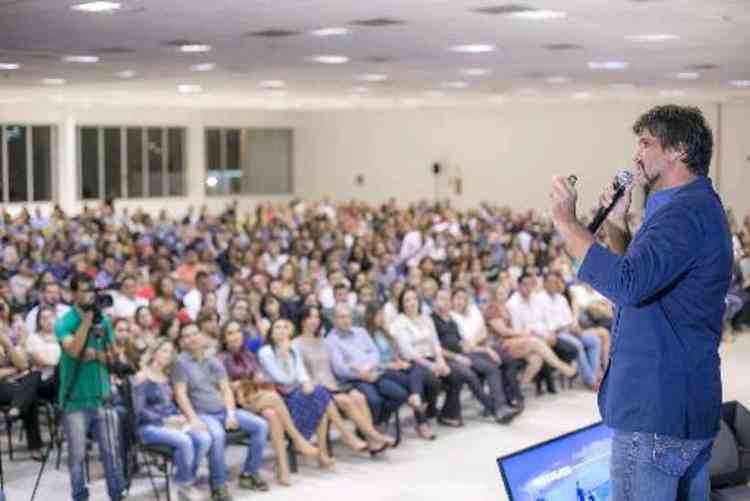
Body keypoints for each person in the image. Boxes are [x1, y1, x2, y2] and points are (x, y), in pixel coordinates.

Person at [549, 104, 733, 500]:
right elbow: (643, 278)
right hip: (682, 409)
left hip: (656, 412)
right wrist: (616, 223)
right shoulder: (696, 207)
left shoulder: (682, 214)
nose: (637, 154)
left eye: (646, 143)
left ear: (678, 150)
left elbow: (627, 284)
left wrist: (568, 223)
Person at [172, 322, 269, 501]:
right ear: (182, 342)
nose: (192, 338)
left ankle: (249, 474)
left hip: (223, 410)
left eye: (195, 333)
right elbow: (181, 395)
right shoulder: (180, 364)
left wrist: (231, 413)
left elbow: (225, 389)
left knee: (260, 425)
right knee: (217, 435)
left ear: (201, 336)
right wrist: (193, 419)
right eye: (187, 336)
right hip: (202, 414)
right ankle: (218, 486)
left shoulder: (213, 360)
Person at [218, 320, 319, 486]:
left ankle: (283, 468)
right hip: (236, 403)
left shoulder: (249, 355)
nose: (235, 336)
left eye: (238, 331)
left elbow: (259, 377)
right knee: (273, 398)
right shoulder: (221, 358)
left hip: (255, 397)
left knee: (272, 414)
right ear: (224, 338)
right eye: (230, 333)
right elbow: (225, 387)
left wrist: (255, 380)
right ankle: (297, 439)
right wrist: (244, 383)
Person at [56, 273, 126, 501]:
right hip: (74, 399)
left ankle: (117, 494)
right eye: (86, 291)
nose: (90, 296)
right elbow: (74, 351)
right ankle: (80, 496)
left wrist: (95, 355)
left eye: (92, 291)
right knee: (77, 455)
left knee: (111, 452)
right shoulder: (64, 321)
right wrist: (86, 321)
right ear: (74, 294)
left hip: (102, 396)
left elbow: (114, 357)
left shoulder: (104, 321)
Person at [133, 339, 210, 501]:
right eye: (164, 351)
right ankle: (184, 484)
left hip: (168, 424)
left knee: (203, 438)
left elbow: (168, 405)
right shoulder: (142, 376)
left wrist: (180, 417)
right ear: (154, 352)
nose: (167, 355)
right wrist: (166, 420)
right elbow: (138, 411)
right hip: (148, 427)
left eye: (170, 352)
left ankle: (182, 478)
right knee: (184, 441)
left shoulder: (165, 376)